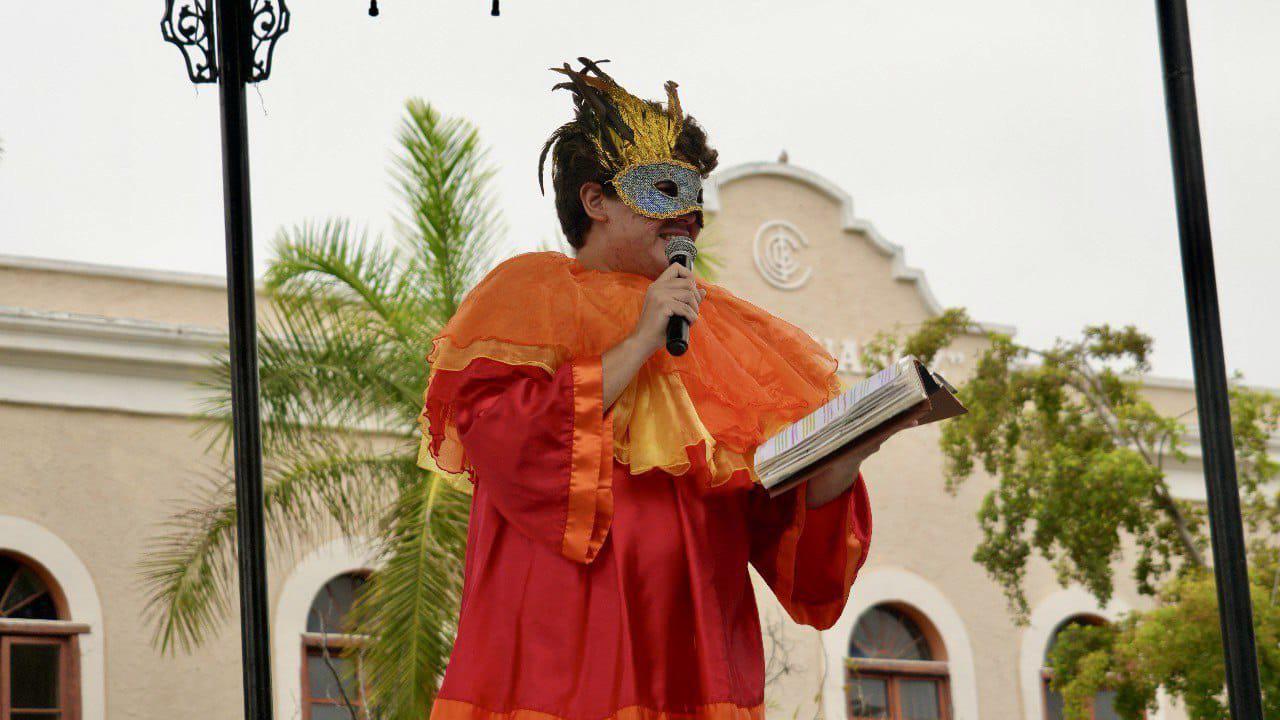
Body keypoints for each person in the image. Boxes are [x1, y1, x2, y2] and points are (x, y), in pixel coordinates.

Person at [416, 58, 911, 720]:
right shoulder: (528, 297)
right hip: (563, 664)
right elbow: (509, 447)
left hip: (696, 664)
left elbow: (783, 545)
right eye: (661, 190)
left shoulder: (734, 336)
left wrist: (837, 471)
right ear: (595, 200)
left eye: (694, 197)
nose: (686, 218)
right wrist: (639, 340)